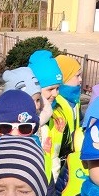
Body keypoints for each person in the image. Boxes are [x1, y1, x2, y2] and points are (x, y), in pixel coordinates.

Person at [0, 90, 43, 180]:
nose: (14, 134)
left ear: (33, 130)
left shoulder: (41, 157)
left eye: (24, 128)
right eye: (5, 128)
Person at [28, 50, 71, 183]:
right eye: (50, 89)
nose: (55, 94)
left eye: (57, 88)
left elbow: (64, 149)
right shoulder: (24, 117)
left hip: (54, 181)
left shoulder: (59, 113)